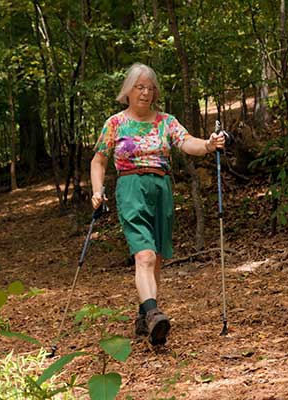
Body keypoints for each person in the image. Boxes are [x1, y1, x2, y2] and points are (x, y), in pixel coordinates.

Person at [90, 63, 225, 345]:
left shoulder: (166, 121)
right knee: (145, 256)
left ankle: (146, 315)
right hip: (130, 188)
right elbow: (99, 160)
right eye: (139, 87)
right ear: (128, 91)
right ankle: (154, 314)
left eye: (150, 88)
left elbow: (187, 143)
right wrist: (97, 191)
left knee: (158, 257)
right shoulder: (115, 123)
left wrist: (209, 145)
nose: (145, 93)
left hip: (161, 188)